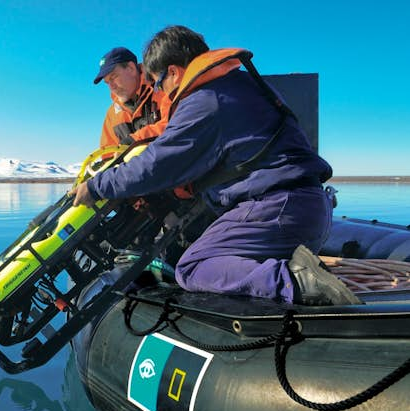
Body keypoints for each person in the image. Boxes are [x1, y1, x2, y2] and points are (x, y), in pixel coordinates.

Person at [72, 26, 360, 306]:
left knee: (193, 266)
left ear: (173, 72)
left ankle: (296, 282)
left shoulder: (205, 100)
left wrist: (96, 187)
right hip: (307, 207)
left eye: (160, 82)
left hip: (279, 209)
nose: (164, 92)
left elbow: (158, 163)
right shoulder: (240, 85)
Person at [94, 46, 170, 147]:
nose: (111, 86)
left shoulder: (164, 87)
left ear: (131, 68)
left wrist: (135, 140)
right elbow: (108, 153)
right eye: (107, 82)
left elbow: (177, 125)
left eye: (113, 77)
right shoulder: (112, 115)